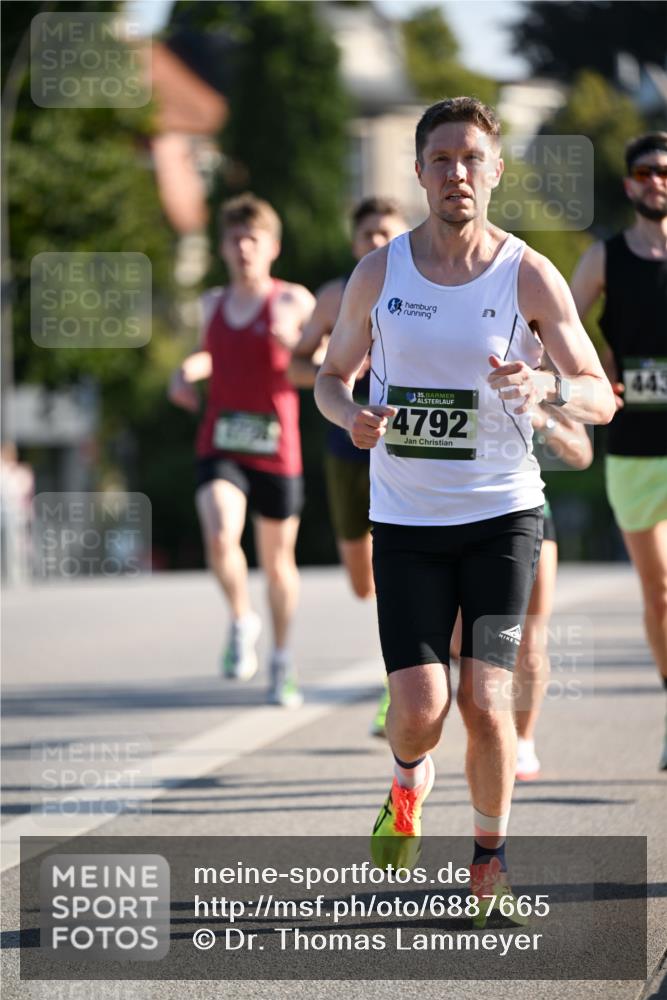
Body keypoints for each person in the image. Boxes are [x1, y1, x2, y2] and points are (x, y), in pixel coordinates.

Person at [315, 96, 615, 921]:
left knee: (486, 701)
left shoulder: (527, 272)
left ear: (495, 171)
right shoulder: (381, 273)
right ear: (418, 173)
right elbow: (329, 377)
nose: (456, 173)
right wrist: (353, 416)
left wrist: (544, 382)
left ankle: (488, 865)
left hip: (503, 517)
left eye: (471, 158)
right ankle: (407, 783)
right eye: (440, 159)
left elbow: (598, 395)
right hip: (407, 523)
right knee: (417, 714)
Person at [169, 193, 314, 707]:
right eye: (235, 239)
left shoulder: (293, 300)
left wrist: (293, 341)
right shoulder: (210, 303)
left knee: (278, 566)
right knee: (219, 532)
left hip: (277, 447)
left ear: (272, 246)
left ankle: (282, 660)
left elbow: (318, 359)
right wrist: (186, 372)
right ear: (223, 248)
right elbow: (212, 354)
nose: (244, 247)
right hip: (222, 440)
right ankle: (240, 618)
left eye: (253, 238)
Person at [288, 197, 408, 736]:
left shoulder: (422, 286)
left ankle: (401, 684)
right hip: (346, 447)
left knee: (400, 571)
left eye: (386, 233)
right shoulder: (338, 295)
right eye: (367, 236)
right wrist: (334, 368)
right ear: (353, 242)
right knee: (365, 583)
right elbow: (296, 365)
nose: (376, 244)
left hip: (406, 451)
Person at [571, 132, 667, 769]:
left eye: (665, 172)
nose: (656, 181)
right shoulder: (603, 258)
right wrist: (591, 367)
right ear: (629, 183)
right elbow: (557, 324)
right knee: (658, 591)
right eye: (644, 172)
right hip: (634, 445)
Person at [450, 394, 594, 781]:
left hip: (524, 515)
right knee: (463, 640)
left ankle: (523, 741)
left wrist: (540, 419)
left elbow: (582, 454)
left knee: (530, 637)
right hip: (451, 513)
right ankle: (487, 730)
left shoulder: (539, 376)